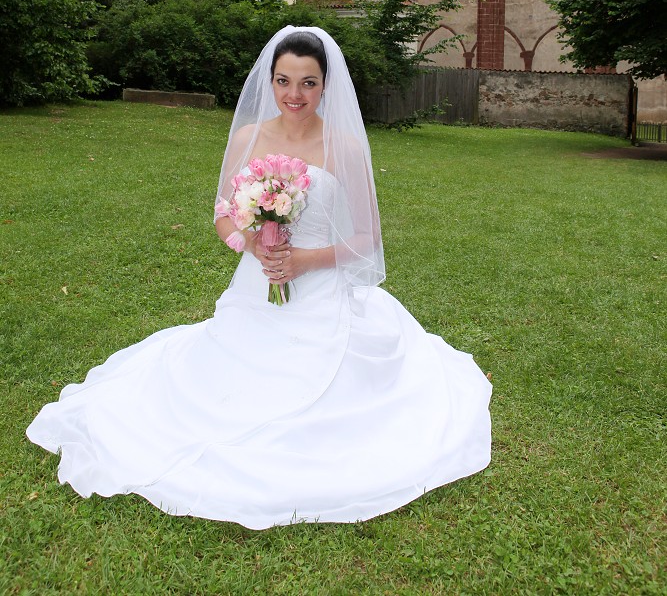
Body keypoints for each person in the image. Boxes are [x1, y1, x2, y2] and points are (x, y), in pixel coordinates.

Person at [27, 27, 492, 528]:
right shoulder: (248, 137)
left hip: (320, 291)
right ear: (270, 82)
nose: (295, 94)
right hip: (254, 286)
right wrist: (251, 244)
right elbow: (223, 214)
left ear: (325, 85)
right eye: (284, 81)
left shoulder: (344, 147)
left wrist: (304, 261)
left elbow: (367, 238)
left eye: (309, 83)